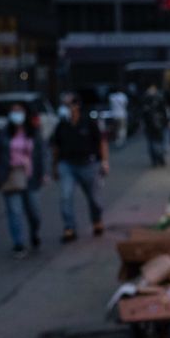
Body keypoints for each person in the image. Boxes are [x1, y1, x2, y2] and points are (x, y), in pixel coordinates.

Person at [0, 102, 45, 258]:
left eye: (19, 111)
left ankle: (34, 233)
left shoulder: (33, 132)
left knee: (34, 212)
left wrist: (44, 172)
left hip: (30, 176)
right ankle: (18, 243)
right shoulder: (4, 133)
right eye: (13, 111)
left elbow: (42, 152)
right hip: (10, 175)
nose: (17, 114)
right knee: (14, 211)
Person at [50, 94, 108, 243]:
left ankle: (97, 220)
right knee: (65, 196)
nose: (66, 108)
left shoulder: (88, 122)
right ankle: (69, 227)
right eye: (64, 105)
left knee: (94, 198)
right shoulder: (62, 125)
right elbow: (56, 146)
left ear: (76, 106)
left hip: (88, 164)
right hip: (67, 165)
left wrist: (104, 161)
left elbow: (101, 142)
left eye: (69, 105)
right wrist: (54, 166)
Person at [140, 84, 168, 167]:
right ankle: (160, 158)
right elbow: (164, 112)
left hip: (150, 125)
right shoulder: (159, 98)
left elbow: (142, 114)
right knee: (158, 142)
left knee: (152, 142)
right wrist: (166, 122)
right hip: (158, 124)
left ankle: (155, 160)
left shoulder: (145, 100)